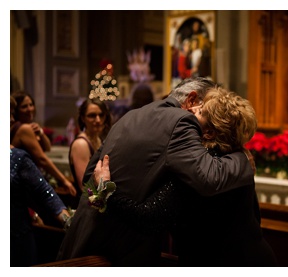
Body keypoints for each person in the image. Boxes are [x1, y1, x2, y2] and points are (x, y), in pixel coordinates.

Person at [57, 77, 256, 266]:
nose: (197, 111)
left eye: (203, 110)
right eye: (201, 105)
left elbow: (90, 174)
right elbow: (208, 178)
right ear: (192, 98)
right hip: (123, 245)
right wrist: (243, 158)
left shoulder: (132, 115)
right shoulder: (183, 122)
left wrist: (101, 195)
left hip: (88, 231)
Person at [11, 91, 76, 197]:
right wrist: (64, 180)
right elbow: (42, 159)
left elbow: (47, 147)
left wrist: (40, 133)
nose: (29, 109)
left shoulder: (26, 126)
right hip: (24, 182)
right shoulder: (24, 129)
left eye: (31, 105)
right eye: (24, 106)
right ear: (16, 111)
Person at [66, 98, 112, 209]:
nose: (98, 120)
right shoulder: (81, 144)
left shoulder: (98, 139)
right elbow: (86, 187)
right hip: (86, 207)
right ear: (83, 118)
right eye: (92, 115)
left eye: (101, 115)